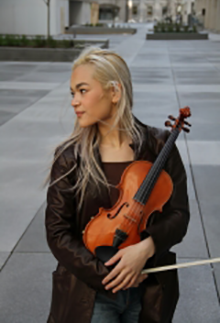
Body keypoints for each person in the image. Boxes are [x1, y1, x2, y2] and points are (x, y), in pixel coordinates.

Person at [44, 46, 190, 323]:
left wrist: (146, 248)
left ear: (114, 92)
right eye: (72, 93)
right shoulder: (70, 157)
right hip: (91, 293)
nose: (75, 101)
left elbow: (179, 216)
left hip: (148, 289)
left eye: (83, 90)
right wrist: (111, 274)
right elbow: (57, 233)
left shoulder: (160, 147)